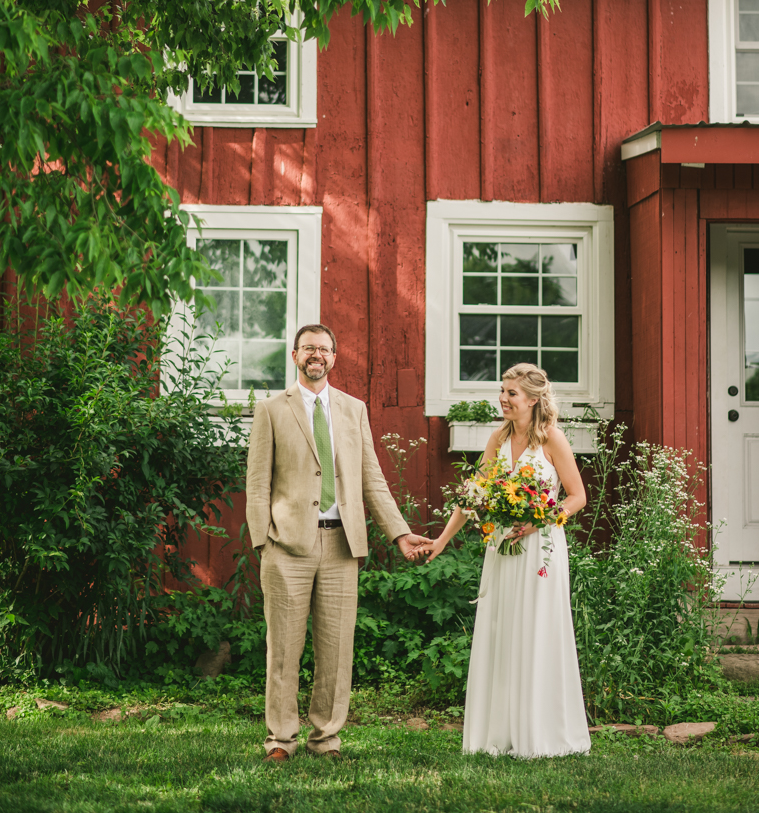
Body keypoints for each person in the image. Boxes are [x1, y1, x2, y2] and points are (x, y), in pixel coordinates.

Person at [246, 323, 433, 762]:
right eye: (309, 348)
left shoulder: (353, 409)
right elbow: (256, 483)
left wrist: (400, 533)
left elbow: (371, 478)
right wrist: (263, 543)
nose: (317, 355)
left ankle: (326, 738)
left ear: (335, 357)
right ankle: (280, 740)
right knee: (284, 651)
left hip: (342, 546)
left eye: (324, 349)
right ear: (295, 355)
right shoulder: (272, 409)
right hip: (286, 546)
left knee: (335, 651)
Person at [426, 362, 591, 758]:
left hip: (540, 549)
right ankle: (499, 733)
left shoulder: (552, 438)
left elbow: (577, 497)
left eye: (511, 393)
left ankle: (540, 732)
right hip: (501, 548)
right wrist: (442, 540)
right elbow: (473, 495)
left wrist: (538, 522)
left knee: (536, 630)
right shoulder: (498, 438)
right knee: (503, 630)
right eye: (502, 391)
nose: (503, 399)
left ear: (533, 400)